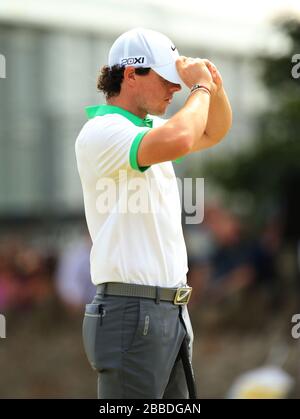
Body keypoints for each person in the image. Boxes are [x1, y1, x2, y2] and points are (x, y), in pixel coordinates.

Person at [75, 27, 232, 399]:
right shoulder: (102, 131)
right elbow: (183, 136)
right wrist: (201, 90)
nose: (175, 89)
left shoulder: (148, 128)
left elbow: (213, 131)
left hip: (170, 311)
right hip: (131, 311)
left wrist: (215, 86)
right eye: (166, 79)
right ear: (131, 74)